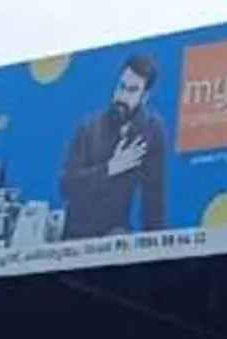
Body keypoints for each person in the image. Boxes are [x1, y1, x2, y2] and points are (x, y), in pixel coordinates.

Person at [57, 53, 169, 239]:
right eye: (121, 86)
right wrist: (110, 168)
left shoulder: (150, 130)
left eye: (132, 90)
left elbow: (154, 201)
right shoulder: (89, 127)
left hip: (115, 236)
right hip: (76, 238)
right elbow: (66, 186)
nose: (122, 96)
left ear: (144, 96)